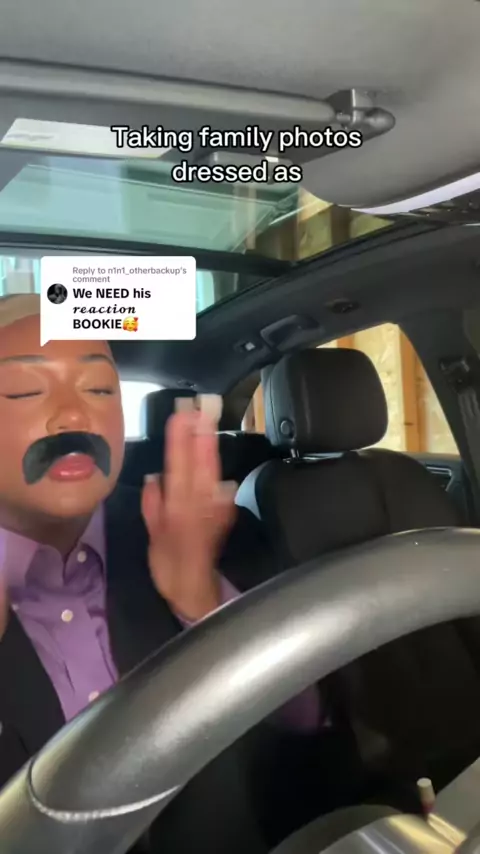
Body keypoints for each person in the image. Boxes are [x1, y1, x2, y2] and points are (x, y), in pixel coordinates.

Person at [0, 293, 323, 854]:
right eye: (27, 390)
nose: (75, 416)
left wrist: (201, 601)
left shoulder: (204, 529)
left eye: (100, 390)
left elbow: (308, 724)